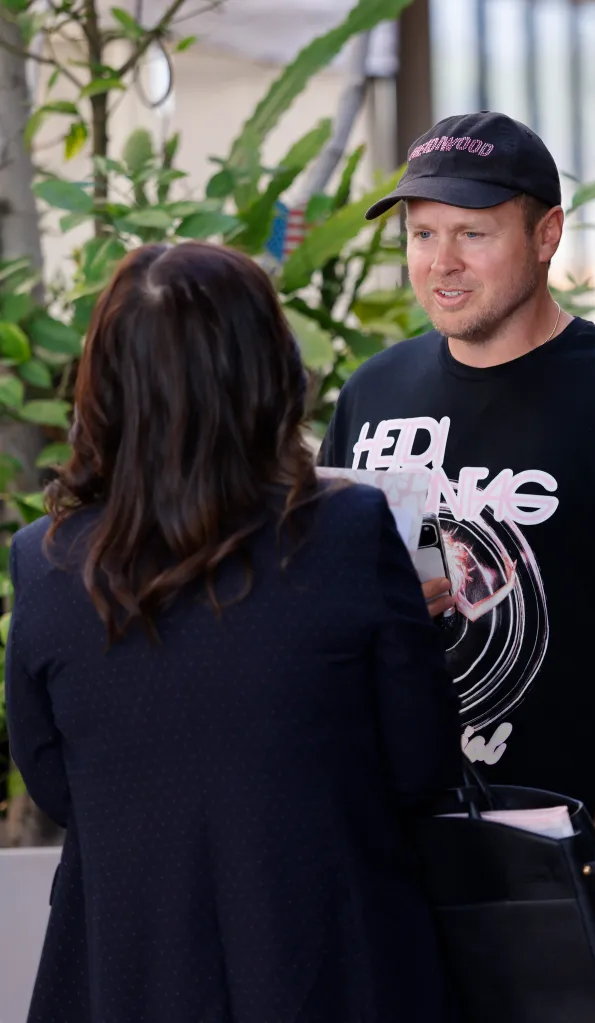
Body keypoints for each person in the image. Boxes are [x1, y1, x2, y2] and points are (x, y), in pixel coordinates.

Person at [319, 111, 595, 1022]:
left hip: (562, 883)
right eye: (421, 234)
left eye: (472, 232)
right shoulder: (373, 394)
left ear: (545, 236)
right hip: (397, 874)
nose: (440, 261)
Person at [6, 242, 463, 1023]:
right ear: (267, 371)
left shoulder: (43, 562)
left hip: (125, 972)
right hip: (332, 969)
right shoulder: (349, 531)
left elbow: (58, 784)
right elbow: (420, 767)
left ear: (104, 382)